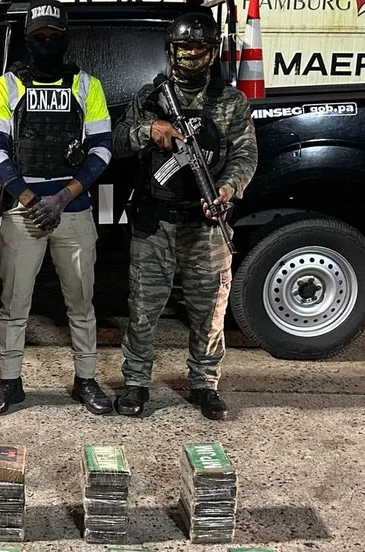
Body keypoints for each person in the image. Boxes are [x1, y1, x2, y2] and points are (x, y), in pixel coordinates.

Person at [111, 11, 259, 421]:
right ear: (171, 51)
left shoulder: (230, 102)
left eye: (200, 47)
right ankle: (136, 383)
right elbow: (117, 142)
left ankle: (204, 384)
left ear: (213, 51)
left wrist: (226, 189)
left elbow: (245, 155)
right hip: (155, 223)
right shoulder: (149, 97)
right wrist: (149, 130)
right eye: (184, 47)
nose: (192, 54)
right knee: (143, 309)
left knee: (210, 311)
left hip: (206, 224)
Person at [0, 0, 114, 417]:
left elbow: (102, 148)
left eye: (55, 36)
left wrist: (63, 197)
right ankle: (10, 382)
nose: (48, 43)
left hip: (72, 210)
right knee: (14, 304)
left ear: (66, 39)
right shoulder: (6, 86)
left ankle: (85, 380)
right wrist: (30, 199)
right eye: (40, 36)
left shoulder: (87, 86)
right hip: (25, 213)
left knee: (82, 303)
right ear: (28, 40)